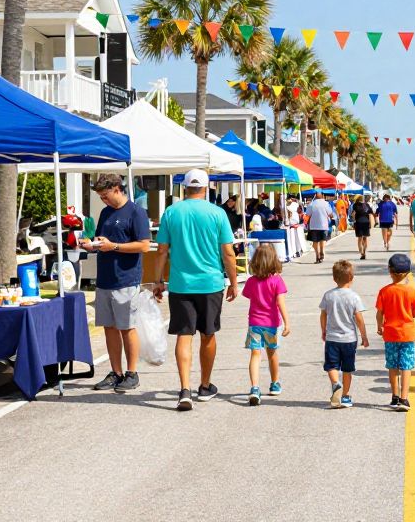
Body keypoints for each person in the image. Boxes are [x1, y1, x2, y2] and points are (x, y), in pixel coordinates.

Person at [152, 169, 239, 412]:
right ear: (206, 187)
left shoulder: (171, 212)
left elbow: (161, 251)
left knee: (184, 335)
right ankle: (205, 385)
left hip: (181, 283)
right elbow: (228, 252)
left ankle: (184, 389)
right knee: (208, 334)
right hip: (210, 283)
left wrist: (157, 280)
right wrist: (233, 282)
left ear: (185, 187)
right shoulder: (217, 213)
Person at [81, 174, 151, 393]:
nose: (104, 200)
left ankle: (132, 373)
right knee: (109, 328)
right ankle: (116, 372)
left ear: (117, 189)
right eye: (101, 197)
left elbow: (144, 246)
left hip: (126, 279)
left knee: (127, 327)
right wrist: (91, 245)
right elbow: (103, 241)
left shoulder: (136, 212)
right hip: (104, 279)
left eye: (105, 195)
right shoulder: (105, 213)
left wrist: (115, 247)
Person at [242, 245, 290, 406]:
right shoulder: (277, 281)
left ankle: (254, 387)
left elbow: (248, 296)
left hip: (254, 323)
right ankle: (275, 383)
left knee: (255, 355)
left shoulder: (251, 282)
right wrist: (287, 322)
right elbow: (280, 303)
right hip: (272, 323)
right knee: (272, 354)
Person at [320, 259, 370, 408]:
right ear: (351, 279)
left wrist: (324, 330)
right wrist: (364, 336)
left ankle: (336, 383)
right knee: (347, 369)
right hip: (349, 339)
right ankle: (346, 396)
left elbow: (323, 315)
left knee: (331, 366)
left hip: (332, 338)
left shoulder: (328, 295)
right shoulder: (354, 297)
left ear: (334, 278)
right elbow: (359, 318)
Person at [376, 253, 415, 412]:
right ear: (408, 272)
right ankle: (404, 398)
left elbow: (380, 312)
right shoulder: (412, 291)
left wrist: (380, 325)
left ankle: (394, 397)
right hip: (407, 334)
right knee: (406, 366)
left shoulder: (384, 291)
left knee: (393, 366)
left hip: (390, 334)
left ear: (390, 271)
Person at [305, 192, 335, 264]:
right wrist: (331, 218)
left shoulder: (311, 204)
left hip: (314, 226)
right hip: (324, 225)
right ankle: (322, 251)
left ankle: (317, 255)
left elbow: (307, 214)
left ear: (315, 196)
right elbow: (330, 214)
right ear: (323, 196)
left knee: (315, 241)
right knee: (323, 239)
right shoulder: (326, 204)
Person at [351, 194, 376, 260]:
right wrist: (371, 224)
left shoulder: (355, 205)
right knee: (365, 238)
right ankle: (364, 252)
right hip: (366, 222)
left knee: (360, 238)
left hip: (359, 222)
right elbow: (371, 214)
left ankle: (361, 252)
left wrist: (354, 221)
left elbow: (353, 214)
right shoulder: (367, 205)